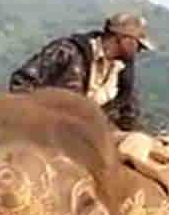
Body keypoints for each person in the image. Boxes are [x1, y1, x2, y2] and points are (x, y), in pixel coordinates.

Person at [9, 12, 154, 131]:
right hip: (46, 130)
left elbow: (129, 116)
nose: (140, 50)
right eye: (138, 44)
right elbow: (21, 82)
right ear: (123, 39)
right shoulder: (67, 51)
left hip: (87, 136)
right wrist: (37, 118)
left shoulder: (123, 71)